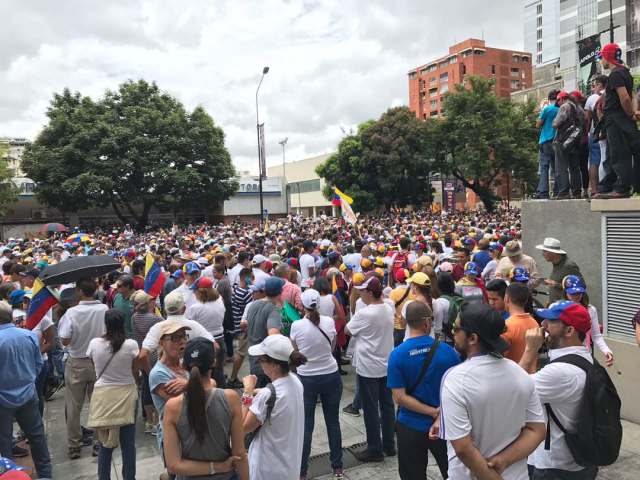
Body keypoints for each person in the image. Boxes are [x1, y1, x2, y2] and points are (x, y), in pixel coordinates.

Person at [438, 302, 546, 479]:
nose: (452, 332)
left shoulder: (455, 379)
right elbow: (537, 430)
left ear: (472, 338)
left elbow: (463, 448)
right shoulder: (519, 373)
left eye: (456, 328)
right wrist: (504, 460)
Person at [519, 301, 599, 479]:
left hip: (554, 465)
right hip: (578, 460)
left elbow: (511, 391)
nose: (543, 325)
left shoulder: (560, 372)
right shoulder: (586, 359)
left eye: (550, 321)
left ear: (569, 331)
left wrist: (530, 350)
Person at [387, 301, 459, 480]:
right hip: (445, 424)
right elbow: (459, 390)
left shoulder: (397, 354)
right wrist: (437, 413)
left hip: (410, 424)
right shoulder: (448, 352)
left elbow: (400, 398)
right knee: (453, 472)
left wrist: (431, 412)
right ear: (427, 322)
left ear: (407, 322)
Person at [163, 338, 249, 480]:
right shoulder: (231, 398)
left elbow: (173, 465)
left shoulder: (172, 407)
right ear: (214, 362)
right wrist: (222, 468)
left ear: (184, 365)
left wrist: (215, 467)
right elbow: (239, 453)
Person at [290, 289, 344, 480]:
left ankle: (302, 471)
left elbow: (296, 352)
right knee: (333, 422)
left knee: (306, 427)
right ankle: (337, 468)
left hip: (307, 378)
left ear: (302, 306)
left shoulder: (296, 326)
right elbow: (332, 347)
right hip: (331, 374)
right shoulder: (329, 322)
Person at [241, 334, 306, 480]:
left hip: (267, 469)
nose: (259, 363)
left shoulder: (267, 395)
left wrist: (247, 392)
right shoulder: (296, 382)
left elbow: (242, 427)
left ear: (275, 365)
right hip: (289, 467)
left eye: (262, 360)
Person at [345, 275, 395, 462]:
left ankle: (374, 448)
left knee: (371, 408)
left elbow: (347, 330)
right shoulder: (388, 307)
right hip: (386, 364)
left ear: (369, 292)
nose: (359, 294)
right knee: (387, 405)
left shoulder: (365, 313)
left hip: (368, 367)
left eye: (362, 290)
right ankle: (389, 445)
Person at [58, 277, 109, 459]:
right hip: (98, 360)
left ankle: (74, 445)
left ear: (79, 292)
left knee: (73, 406)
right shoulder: (104, 309)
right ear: (95, 290)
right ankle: (98, 442)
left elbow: (64, 339)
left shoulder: (71, 312)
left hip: (77, 361)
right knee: (99, 403)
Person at [0, 302, 52, 479]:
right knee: (37, 437)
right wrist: (27, 379)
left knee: (4, 442)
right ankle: (45, 475)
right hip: (28, 394)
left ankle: (10, 476)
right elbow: (39, 364)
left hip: (3, 400)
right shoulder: (29, 335)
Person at [87, 309, 140, 480]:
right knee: (128, 445)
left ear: (106, 323)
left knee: (105, 443)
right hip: (127, 395)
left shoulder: (94, 343)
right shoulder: (131, 345)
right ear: (123, 322)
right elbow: (135, 370)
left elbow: (92, 362)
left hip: (103, 397)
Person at [596, 42, 640, 199]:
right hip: (624, 119)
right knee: (629, 150)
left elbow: (625, 97)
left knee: (619, 153)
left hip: (617, 119)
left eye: (602, 57)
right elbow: (633, 95)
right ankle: (621, 186)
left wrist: (629, 113)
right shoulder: (626, 73)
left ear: (608, 57)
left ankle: (621, 188)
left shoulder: (615, 74)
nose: (601, 61)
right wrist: (633, 113)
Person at [149, 322, 190, 480]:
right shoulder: (158, 374)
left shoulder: (184, 364)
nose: (182, 342)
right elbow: (184, 404)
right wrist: (194, 383)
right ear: (161, 342)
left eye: (183, 337)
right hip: (174, 438)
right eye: (174, 338)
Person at [562, 275, 614, 366]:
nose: (576, 296)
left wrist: (606, 350)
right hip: (564, 355)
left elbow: (596, 336)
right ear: (565, 293)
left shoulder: (590, 310)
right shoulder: (558, 309)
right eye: (572, 293)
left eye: (579, 293)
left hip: (585, 354)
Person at [130, 289, 163, 435]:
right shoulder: (155, 319)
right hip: (154, 355)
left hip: (141, 355)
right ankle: (157, 420)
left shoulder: (134, 317)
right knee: (157, 387)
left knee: (146, 387)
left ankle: (149, 421)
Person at [185, 276, 226, 387]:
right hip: (220, 339)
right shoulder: (219, 300)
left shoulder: (196, 307)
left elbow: (190, 324)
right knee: (219, 370)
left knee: (204, 373)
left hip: (204, 342)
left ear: (200, 292)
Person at [245, 277, 284, 388]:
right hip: (266, 365)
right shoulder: (273, 310)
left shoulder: (253, 305)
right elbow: (273, 335)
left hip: (253, 359)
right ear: (280, 292)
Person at [552, 91, 583, 199]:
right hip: (575, 140)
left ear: (562, 99)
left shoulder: (565, 107)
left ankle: (564, 191)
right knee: (574, 167)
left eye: (558, 101)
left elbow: (556, 124)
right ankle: (577, 192)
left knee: (561, 166)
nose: (558, 104)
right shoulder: (579, 108)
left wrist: (554, 122)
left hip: (563, 140)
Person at [501, 283, 539, 370]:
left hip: (514, 379)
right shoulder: (534, 323)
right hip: (531, 378)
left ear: (507, 298)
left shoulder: (507, 325)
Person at [535, 238, 582, 304]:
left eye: (545, 251)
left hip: (565, 309)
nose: (543, 254)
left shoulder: (569, 266)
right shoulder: (557, 264)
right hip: (557, 307)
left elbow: (580, 287)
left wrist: (555, 284)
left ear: (553, 253)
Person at [535, 89, 560, 199]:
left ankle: (543, 191)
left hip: (545, 141)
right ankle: (557, 190)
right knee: (557, 167)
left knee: (544, 167)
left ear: (549, 99)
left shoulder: (547, 109)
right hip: (557, 141)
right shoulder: (561, 109)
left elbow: (538, 124)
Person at [584, 75, 607, 197]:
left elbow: (586, 118)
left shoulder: (592, 97)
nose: (593, 88)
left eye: (595, 85)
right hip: (608, 132)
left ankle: (595, 189)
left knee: (594, 161)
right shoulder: (609, 95)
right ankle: (605, 187)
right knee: (605, 158)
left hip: (595, 132)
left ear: (599, 85)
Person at [389, 269, 415, 346]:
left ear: (397, 279)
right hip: (410, 326)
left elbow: (391, 310)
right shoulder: (413, 291)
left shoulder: (393, 292)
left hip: (397, 326)